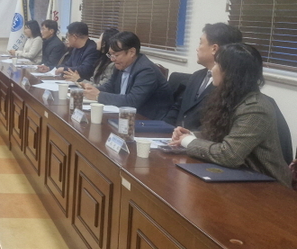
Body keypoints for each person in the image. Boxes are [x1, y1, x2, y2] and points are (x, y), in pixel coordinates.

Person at [170, 43, 292, 188]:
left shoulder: (255, 108)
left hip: (268, 186)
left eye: (217, 64)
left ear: (231, 73)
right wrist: (192, 135)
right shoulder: (230, 98)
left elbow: (229, 155)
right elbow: (223, 136)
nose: (212, 69)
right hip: (240, 176)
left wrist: (189, 141)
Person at [164, 23, 242, 129]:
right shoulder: (196, 76)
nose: (197, 49)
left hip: (199, 137)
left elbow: (218, 124)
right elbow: (178, 107)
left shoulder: (229, 84)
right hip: (173, 135)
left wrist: (187, 136)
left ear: (214, 49)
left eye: (201, 43)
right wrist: (164, 128)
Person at [83, 31, 172, 120]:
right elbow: (110, 86)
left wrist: (99, 95)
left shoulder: (146, 71)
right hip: (125, 116)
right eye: (110, 55)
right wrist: (92, 91)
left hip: (147, 120)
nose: (112, 59)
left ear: (132, 52)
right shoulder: (121, 65)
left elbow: (132, 101)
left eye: (116, 55)